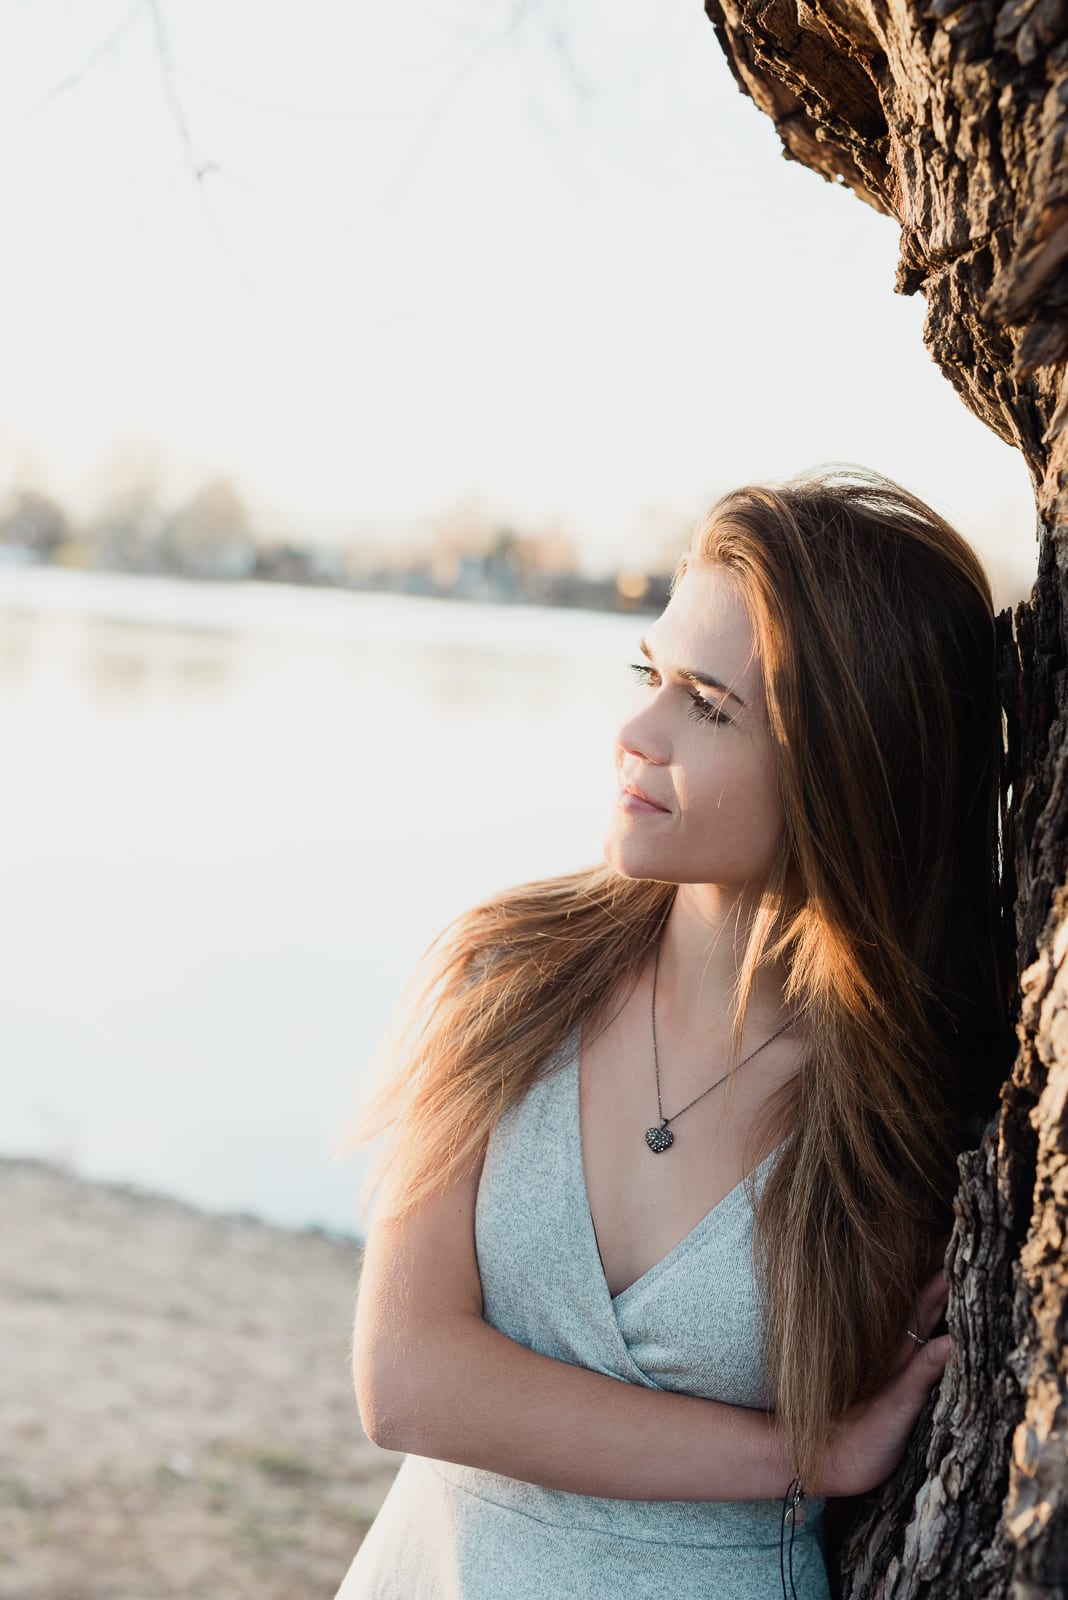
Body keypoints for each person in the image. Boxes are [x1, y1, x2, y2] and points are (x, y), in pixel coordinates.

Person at [333, 466, 1010, 1600]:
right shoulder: (506, 975)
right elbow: (405, 1379)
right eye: (650, 672)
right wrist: (796, 1457)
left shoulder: (924, 1110)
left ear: (849, 764)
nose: (634, 730)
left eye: (706, 704)